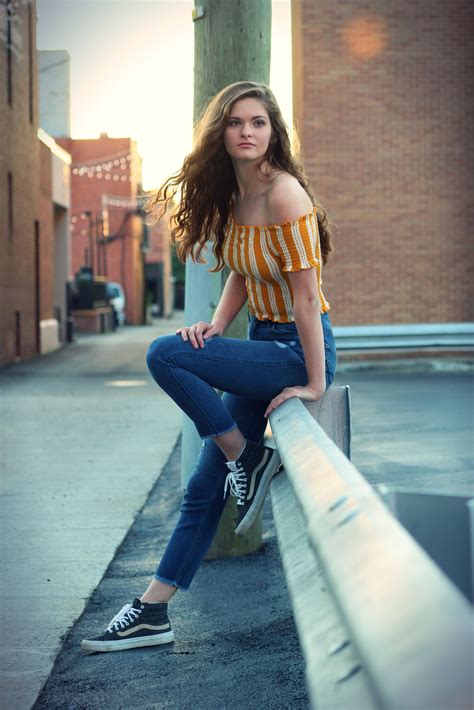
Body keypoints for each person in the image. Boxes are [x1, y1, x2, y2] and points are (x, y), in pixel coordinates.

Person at [81, 81, 337, 654]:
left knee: (163, 353)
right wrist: (217, 328)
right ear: (220, 132)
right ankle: (152, 612)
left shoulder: (285, 193)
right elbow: (243, 274)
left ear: (274, 132)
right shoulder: (235, 197)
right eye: (236, 122)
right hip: (261, 344)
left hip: (295, 348)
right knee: (205, 484)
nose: (247, 131)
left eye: (259, 122)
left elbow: (303, 298)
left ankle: (247, 454)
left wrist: (314, 382)